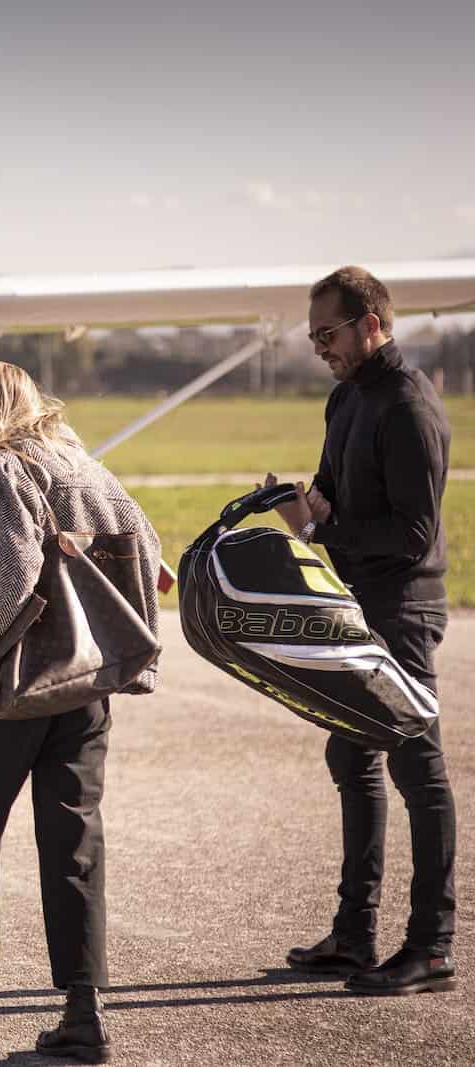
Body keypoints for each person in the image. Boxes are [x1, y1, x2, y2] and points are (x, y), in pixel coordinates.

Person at [0, 361, 160, 1062]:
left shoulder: (2, 468)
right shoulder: (84, 464)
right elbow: (147, 546)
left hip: (14, 686)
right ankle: (84, 1010)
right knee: (75, 842)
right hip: (83, 683)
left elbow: (15, 572)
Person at [270, 266, 456, 996]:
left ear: (371, 323)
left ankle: (432, 947)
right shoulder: (346, 397)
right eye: (312, 335)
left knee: (419, 771)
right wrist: (306, 507)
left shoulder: (409, 404)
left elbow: (413, 534)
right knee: (351, 757)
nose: (320, 347)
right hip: (356, 604)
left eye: (329, 333)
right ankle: (355, 934)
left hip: (403, 610)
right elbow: (331, 496)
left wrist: (324, 527)